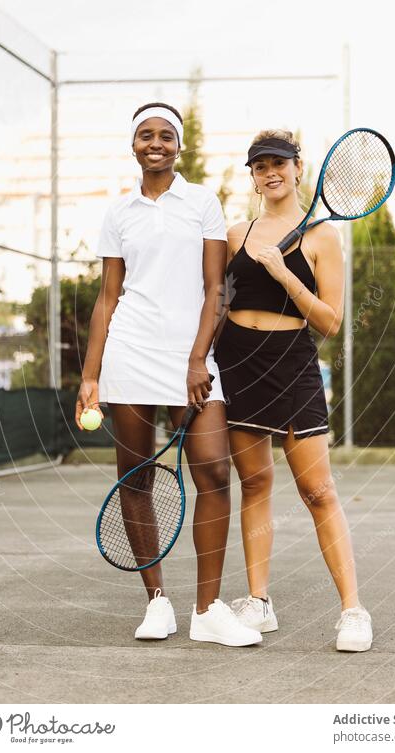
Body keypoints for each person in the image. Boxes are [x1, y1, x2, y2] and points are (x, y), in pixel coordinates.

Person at [76, 103, 260, 647]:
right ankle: (157, 601)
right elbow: (109, 298)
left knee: (213, 473)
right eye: (144, 135)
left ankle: (207, 610)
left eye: (165, 136)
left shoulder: (202, 201)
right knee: (134, 480)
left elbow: (216, 289)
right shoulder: (119, 213)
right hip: (128, 354)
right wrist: (91, 375)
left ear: (178, 147)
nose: (155, 142)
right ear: (134, 146)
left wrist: (197, 358)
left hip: (191, 359)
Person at [214, 129, 373, 651]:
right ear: (253, 176)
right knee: (255, 485)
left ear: (299, 167)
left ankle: (353, 611)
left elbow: (330, 322)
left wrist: (285, 275)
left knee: (318, 491)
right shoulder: (236, 234)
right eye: (259, 166)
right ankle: (258, 603)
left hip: (292, 364)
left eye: (278, 162)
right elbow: (215, 302)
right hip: (237, 362)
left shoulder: (324, 238)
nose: (270, 172)